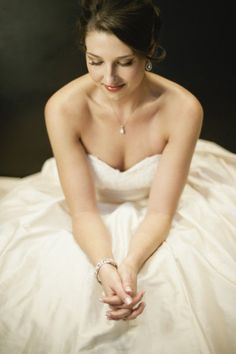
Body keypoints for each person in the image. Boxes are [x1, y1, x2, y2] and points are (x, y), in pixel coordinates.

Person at [0, 1, 236, 353]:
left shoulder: (183, 109)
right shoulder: (64, 108)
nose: (108, 78)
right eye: (95, 62)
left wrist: (130, 264)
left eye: (125, 62)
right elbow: (82, 212)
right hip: (90, 210)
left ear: (149, 51)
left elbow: (159, 213)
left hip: (160, 206)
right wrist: (105, 267)